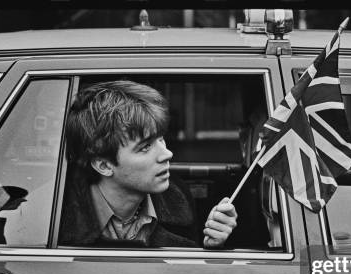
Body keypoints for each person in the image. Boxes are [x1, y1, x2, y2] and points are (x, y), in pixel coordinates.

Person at [58, 80, 237, 248]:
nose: (167, 154)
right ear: (104, 165)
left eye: (161, 139)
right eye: (145, 147)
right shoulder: (52, 217)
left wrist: (210, 250)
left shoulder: (178, 198)